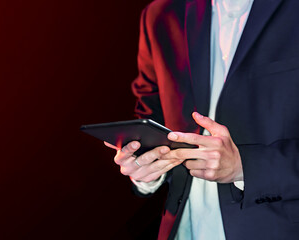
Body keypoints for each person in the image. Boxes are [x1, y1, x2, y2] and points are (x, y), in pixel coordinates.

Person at [105, 0, 299, 239]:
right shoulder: (160, 15)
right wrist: (143, 165)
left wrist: (244, 167)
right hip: (182, 229)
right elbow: (150, 118)